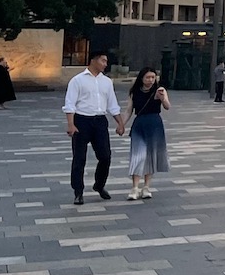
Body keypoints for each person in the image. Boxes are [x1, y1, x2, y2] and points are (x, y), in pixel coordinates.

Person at [64, 50, 124, 204]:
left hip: (99, 122)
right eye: (103, 60)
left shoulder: (107, 82)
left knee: (105, 156)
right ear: (93, 60)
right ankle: (78, 191)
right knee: (79, 158)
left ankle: (99, 185)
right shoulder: (77, 80)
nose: (105, 64)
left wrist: (120, 122)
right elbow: (70, 103)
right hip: (81, 120)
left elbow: (112, 104)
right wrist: (71, 124)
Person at [125, 67, 170, 201]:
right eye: (147, 77)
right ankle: (134, 187)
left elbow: (168, 106)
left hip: (154, 124)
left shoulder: (159, 90)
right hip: (140, 124)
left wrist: (162, 98)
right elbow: (129, 110)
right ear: (141, 78)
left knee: (151, 155)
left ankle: (146, 187)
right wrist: (121, 124)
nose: (150, 80)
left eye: (153, 77)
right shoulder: (134, 92)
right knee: (137, 155)